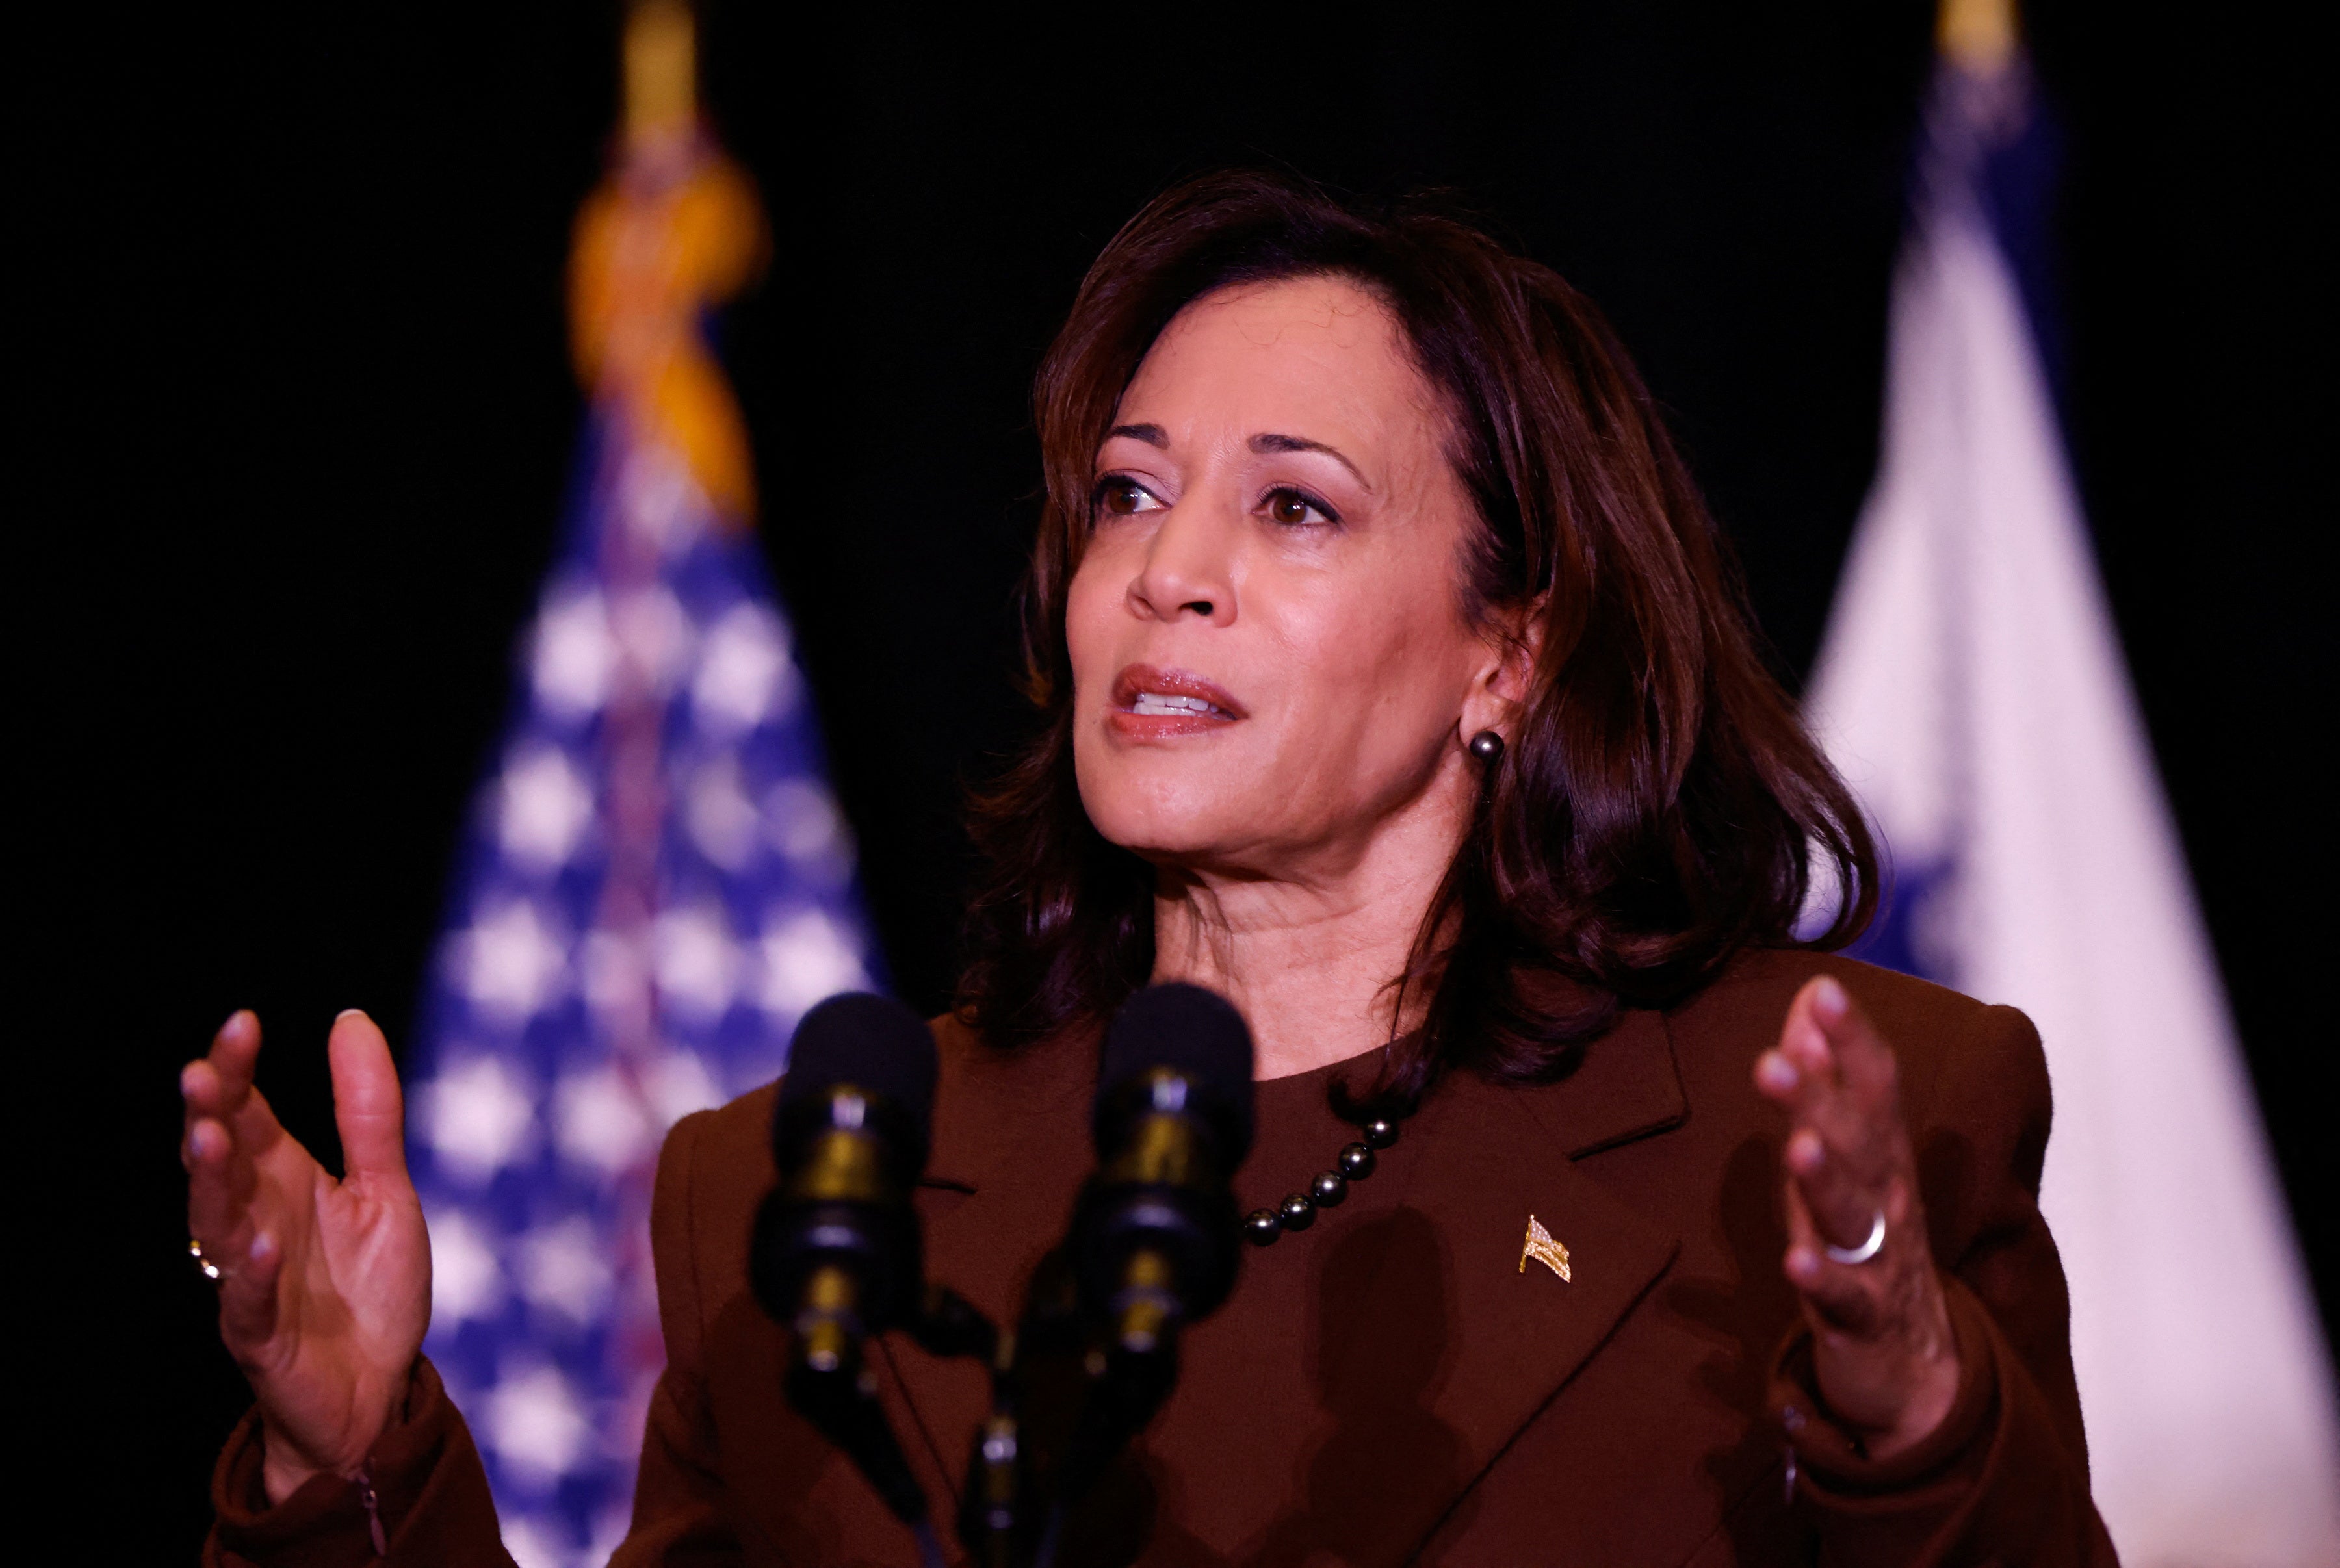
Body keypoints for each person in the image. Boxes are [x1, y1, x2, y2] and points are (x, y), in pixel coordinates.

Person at [184, 170, 2117, 1566]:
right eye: (1129, 492)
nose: (1166, 570)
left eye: (1293, 505)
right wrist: (354, 1478)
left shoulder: (1834, 1141)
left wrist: (1915, 1426)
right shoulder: (803, 1197)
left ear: (1508, 652)